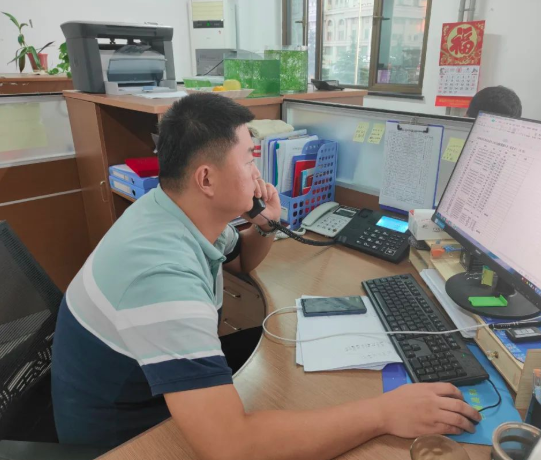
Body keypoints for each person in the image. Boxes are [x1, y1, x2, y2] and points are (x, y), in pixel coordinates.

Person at [51, 93, 480, 459]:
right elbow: (232, 447)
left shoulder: (173, 210)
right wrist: (384, 412)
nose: (257, 174)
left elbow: (238, 262)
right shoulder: (162, 273)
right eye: (249, 159)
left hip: (146, 392)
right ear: (206, 179)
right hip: (123, 439)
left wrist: (267, 222)